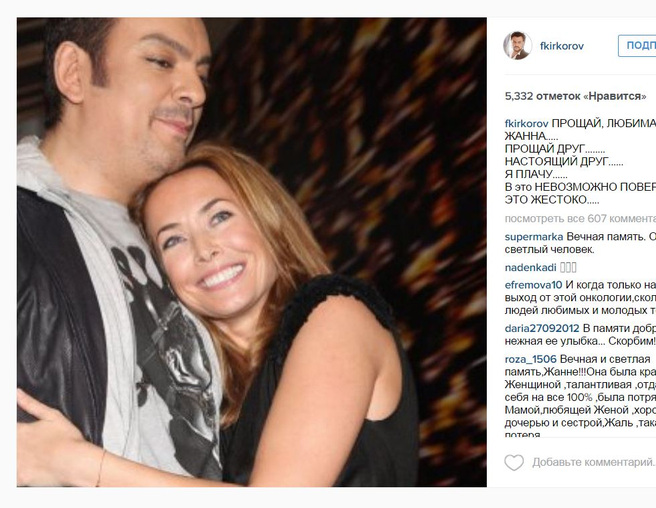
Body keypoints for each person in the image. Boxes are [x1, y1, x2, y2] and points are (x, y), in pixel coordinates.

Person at [17, 142, 420, 487]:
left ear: (267, 219)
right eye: (173, 240)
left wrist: (73, 463)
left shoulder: (337, 314)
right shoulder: (215, 404)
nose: (204, 250)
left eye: (219, 217)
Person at [17, 18, 223, 480]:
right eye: (161, 61)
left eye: (202, 74)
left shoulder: (182, 240)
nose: (196, 92)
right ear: (74, 73)